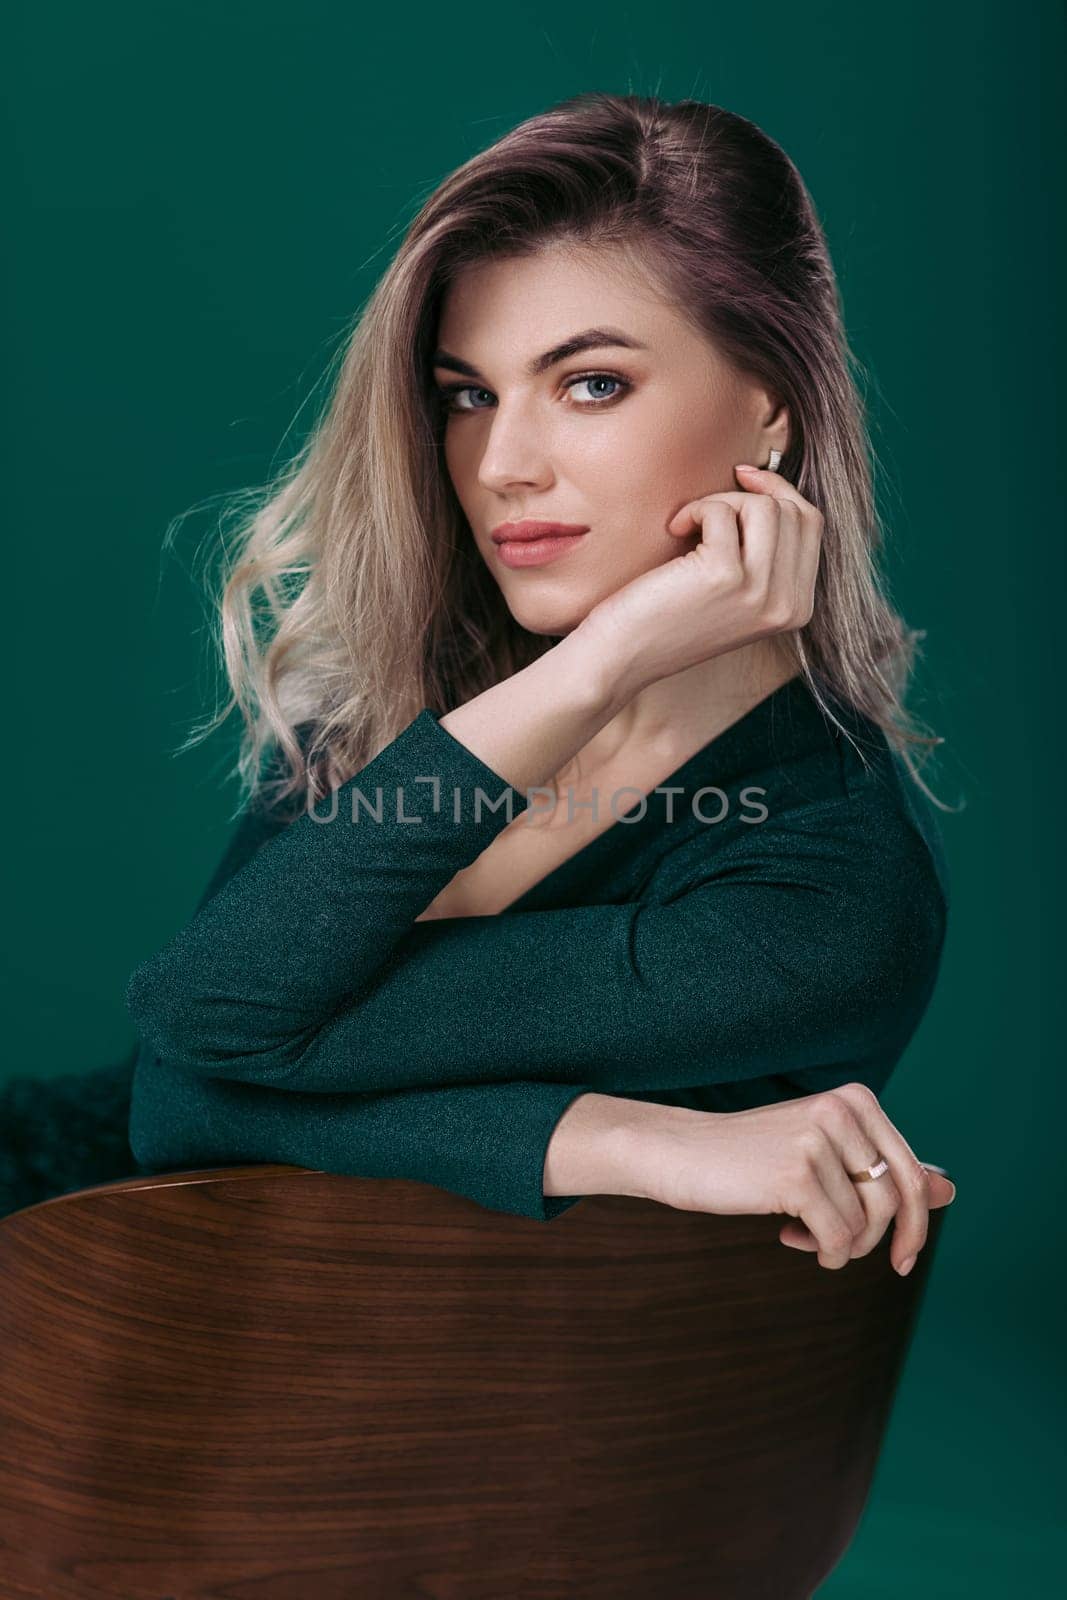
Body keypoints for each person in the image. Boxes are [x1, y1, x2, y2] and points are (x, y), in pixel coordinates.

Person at [5, 93, 957, 1272]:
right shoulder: (419, 672)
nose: (501, 465)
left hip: (133, 1328)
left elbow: (200, 1065)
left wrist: (598, 664)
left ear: (769, 408)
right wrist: (617, 1137)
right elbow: (184, 1063)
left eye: (590, 383)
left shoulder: (826, 888)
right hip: (52, 1203)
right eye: (468, 394)